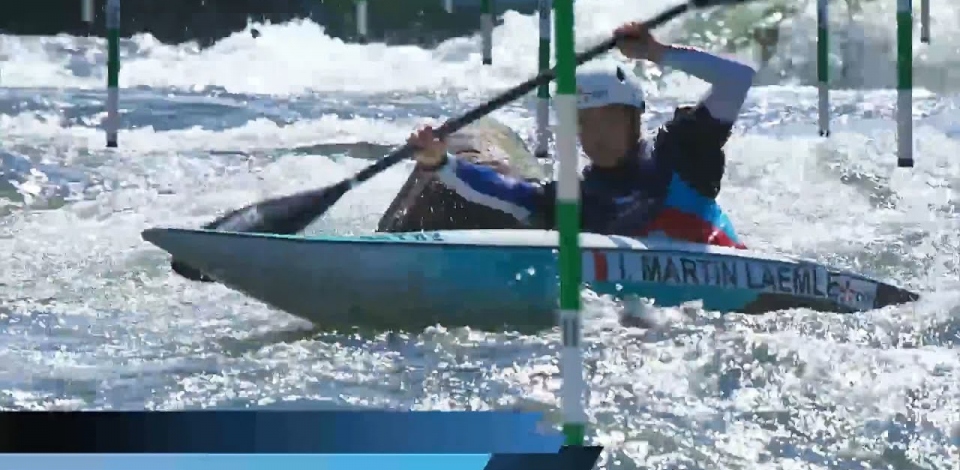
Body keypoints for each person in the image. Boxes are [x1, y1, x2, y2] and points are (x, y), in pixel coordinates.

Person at [405, 21, 756, 248]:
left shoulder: (682, 154)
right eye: (585, 123)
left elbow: (736, 79)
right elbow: (509, 192)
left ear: (634, 119)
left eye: (609, 120)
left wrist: (656, 52)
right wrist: (441, 163)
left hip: (725, 271)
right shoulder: (579, 200)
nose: (597, 135)